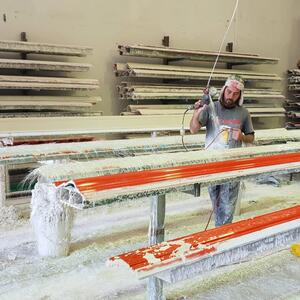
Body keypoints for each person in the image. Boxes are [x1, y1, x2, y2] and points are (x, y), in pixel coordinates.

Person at [189, 75, 255, 227]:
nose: (230, 96)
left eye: (235, 94)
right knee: (217, 204)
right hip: (212, 165)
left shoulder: (243, 113)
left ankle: (223, 236)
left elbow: (251, 137)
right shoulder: (211, 107)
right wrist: (197, 112)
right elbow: (193, 129)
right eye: (229, 92)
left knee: (227, 208)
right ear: (224, 89)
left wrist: (242, 137)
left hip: (232, 167)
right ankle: (220, 232)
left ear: (240, 95)